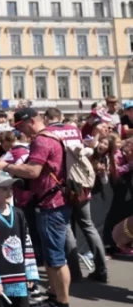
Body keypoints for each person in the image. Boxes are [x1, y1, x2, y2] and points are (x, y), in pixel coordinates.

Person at [0, 108, 72, 307]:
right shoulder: (50, 137)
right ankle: (55, 300)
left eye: (21, 126)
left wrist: (5, 167)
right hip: (51, 203)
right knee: (52, 258)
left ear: (32, 121)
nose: (20, 131)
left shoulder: (41, 141)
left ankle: (62, 306)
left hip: (51, 204)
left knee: (56, 258)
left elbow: (32, 171)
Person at [44, 108, 108, 283]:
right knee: (88, 226)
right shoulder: (74, 130)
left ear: (47, 118)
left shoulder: (49, 132)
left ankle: (75, 273)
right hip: (82, 183)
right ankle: (102, 269)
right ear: (61, 117)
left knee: (66, 227)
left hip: (65, 184)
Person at [0, 170, 39, 307]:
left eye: (11, 188)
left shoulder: (18, 213)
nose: (9, 192)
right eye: (4, 189)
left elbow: (27, 243)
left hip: (19, 277)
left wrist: (30, 273)